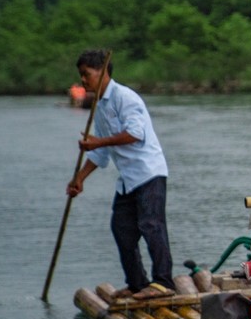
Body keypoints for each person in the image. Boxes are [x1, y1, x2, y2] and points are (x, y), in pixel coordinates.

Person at [66, 49, 175, 301]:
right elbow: (101, 153)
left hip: (149, 173)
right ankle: (137, 283)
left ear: (103, 72)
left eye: (87, 74)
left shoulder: (125, 98)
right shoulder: (99, 106)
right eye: (81, 75)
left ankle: (163, 283)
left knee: (151, 226)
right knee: (121, 228)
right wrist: (79, 178)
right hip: (128, 180)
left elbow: (135, 134)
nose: (83, 80)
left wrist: (99, 141)